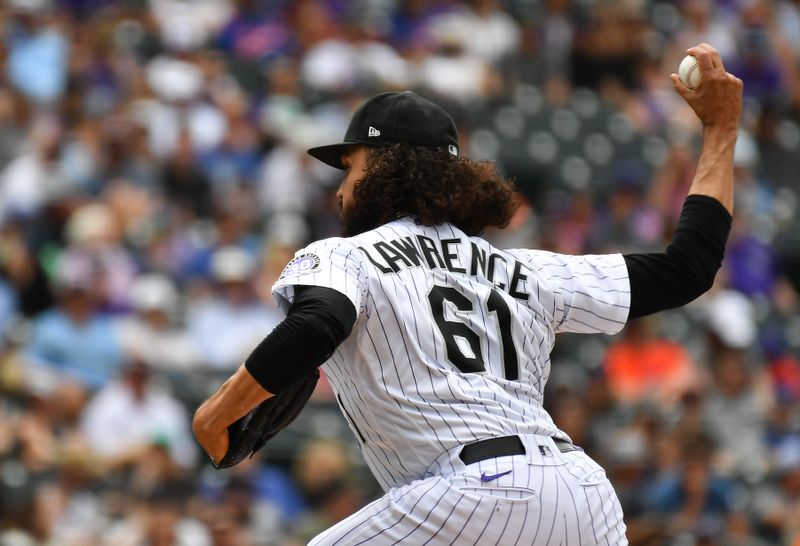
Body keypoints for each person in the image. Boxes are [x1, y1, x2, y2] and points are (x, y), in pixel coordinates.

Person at [193, 43, 742, 544]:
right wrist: (720, 131)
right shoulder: (525, 269)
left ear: (384, 164)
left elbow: (319, 322)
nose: (340, 186)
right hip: (580, 498)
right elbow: (687, 269)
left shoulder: (347, 256)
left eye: (351, 165)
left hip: (470, 493)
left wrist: (216, 414)